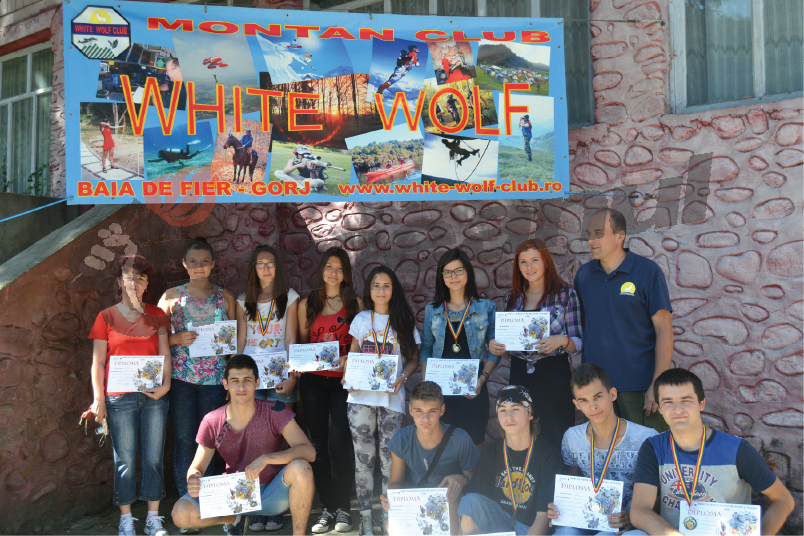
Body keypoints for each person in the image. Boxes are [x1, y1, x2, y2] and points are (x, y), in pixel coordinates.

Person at [629, 368, 794, 536]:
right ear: (659, 408)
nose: (677, 409)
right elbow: (640, 510)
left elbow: (783, 500)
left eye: (686, 400)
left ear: (701, 403)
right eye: (668, 402)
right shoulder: (653, 447)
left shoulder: (736, 449)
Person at [170, 355, 316, 536]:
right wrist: (193, 478)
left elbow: (309, 452)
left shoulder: (275, 411)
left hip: (272, 492)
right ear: (225, 384)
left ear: (257, 383)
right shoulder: (212, 420)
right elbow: (196, 468)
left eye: (247, 380)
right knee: (181, 514)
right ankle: (231, 520)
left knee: (302, 468)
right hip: (233, 494)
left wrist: (266, 458)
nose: (241, 387)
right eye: (234, 381)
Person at [88, 255, 171, 536]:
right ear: (119, 282)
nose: (135, 283)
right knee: (124, 459)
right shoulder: (106, 317)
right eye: (129, 277)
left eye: (141, 278)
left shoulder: (157, 315)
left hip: (154, 396)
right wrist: (98, 399)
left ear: (147, 285)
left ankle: (153, 518)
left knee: (153, 457)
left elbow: (165, 353)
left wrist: (166, 385)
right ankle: (126, 519)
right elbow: (98, 362)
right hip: (118, 398)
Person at [157, 238, 236, 531]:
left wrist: (232, 377)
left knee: (211, 443)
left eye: (205, 261)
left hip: (215, 381)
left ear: (213, 264)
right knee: (184, 440)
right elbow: (153, 335)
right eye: (193, 261)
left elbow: (235, 337)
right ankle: (188, 504)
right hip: (181, 380)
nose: (199, 266)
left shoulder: (224, 297)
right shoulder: (171, 297)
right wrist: (175, 338)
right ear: (184, 264)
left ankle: (211, 505)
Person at [574, 208, 673, 433]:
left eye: (599, 233)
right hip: (596, 390)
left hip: (638, 388)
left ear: (620, 236)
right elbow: (584, 327)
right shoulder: (584, 276)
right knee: (603, 451)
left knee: (646, 450)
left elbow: (664, 330)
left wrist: (657, 384)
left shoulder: (647, 272)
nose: (591, 240)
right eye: (589, 234)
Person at [343, 265, 421, 535]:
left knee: (390, 462)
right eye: (376, 285)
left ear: (393, 289)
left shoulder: (403, 320)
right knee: (363, 460)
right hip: (360, 398)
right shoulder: (361, 319)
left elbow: (413, 359)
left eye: (386, 285)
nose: (381, 290)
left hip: (392, 399)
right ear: (369, 289)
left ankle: (390, 519)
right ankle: (365, 517)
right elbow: (353, 355)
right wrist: (349, 376)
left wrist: (403, 377)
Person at [489, 239, 583, 450]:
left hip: (554, 375)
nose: (529, 267)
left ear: (546, 262)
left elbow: (579, 343)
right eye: (523, 262)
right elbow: (510, 349)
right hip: (520, 374)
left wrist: (562, 340)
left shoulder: (566, 295)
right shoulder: (512, 298)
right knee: (522, 435)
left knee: (556, 433)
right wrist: (500, 349)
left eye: (534, 260)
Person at [546, 364, 657, 535]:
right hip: (585, 520)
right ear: (576, 404)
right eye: (583, 400)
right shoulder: (572, 437)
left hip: (624, 526)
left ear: (613, 394)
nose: (593, 406)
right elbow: (571, 482)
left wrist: (635, 516)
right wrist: (560, 507)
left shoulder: (646, 438)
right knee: (565, 532)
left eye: (598, 397)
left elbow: (662, 494)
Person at [297, 247, 362, 534]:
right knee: (318, 446)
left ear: (345, 273)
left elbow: (364, 342)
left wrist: (351, 359)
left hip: (342, 383)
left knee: (338, 444)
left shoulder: (355, 303)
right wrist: (298, 364)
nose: (333, 273)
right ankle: (328, 508)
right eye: (329, 267)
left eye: (339, 268)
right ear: (321, 270)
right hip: (312, 382)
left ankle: (344, 508)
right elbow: (302, 343)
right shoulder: (307, 303)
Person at [235, 246, 299, 532]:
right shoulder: (243, 300)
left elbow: (291, 339)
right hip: (250, 379)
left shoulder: (290, 297)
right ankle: (256, 508)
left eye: (270, 263)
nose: (266, 268)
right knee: (251, 440)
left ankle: (277, 507)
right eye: (260, 263)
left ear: (277, 267)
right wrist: (234, 380)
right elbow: (240, 342)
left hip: (279, 379)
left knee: (281, 442)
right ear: (253, 269)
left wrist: (292, 377)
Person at [458, 386, 564, 535]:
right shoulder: (491, 451)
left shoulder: (549, 456)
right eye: (502, 410)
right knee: (470, 501)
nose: (508, 416)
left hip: (529, 529)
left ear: (530, 413)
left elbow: (543, 518)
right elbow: (474, 506)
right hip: (498, 525)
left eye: (515, 409)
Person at [420, 248, 497, 448]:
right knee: (441, 447)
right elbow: (426, 348)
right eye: (447, 272)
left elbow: (495, 351)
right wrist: (427, 385)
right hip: (440, 390)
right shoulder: (432, 310)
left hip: (473, 388)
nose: (453, 276)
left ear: (468, 272)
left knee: (474, 445)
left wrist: (482, 379)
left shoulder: (486, 308)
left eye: (458, 270)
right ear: (441, 276)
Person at [381, 381, 479, 536]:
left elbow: (476, 479)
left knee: (450, 501)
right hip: (416, 499)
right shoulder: (402, 439)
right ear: (410, 410)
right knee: (390, 525)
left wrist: (462, 479)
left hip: (450, 499)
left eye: (432, 411)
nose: (425, 418)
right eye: (419, 411)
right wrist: (392, 498)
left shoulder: (460, 439)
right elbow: (396, 481)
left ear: (442, 410)